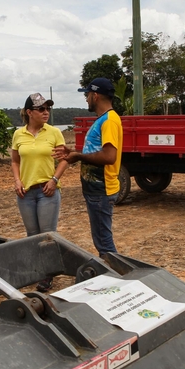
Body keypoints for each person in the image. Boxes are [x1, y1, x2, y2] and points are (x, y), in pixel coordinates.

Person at [53, 77, 123, 258]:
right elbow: (96, 151)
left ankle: (115, 276)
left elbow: (109, 156)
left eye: (87, 94)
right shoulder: (103, 120)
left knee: (104, 243)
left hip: (102, 189)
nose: (86, 98)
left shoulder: (109, 121)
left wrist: (79, 156)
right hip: (96, 190)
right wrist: (75, 153)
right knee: (101, 240)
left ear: (96, 95)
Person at [12, 92, 69, 292]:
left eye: (48, 109)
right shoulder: (19, 134)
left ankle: (48, 275)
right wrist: (17, 181)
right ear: (29, 112)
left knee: (47, 236)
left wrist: (55, 180)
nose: (46, 112)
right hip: (25, 193)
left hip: (47, 191)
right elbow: (15, 160)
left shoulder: (54, 133)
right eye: (41, 109)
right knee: (32, 235)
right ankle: (37, 271)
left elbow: (64, 158)